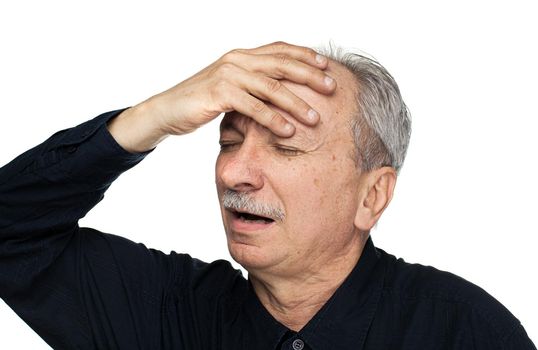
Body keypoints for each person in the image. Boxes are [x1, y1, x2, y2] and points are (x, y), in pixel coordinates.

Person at [0, 41, 535, 349]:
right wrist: (154, 117)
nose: (234, 172)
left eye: (286, 148)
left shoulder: (465, 333)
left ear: (372, 196)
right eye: (228, 143)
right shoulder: (165, 312)